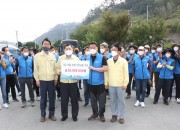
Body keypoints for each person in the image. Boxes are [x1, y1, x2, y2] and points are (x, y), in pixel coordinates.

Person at [34, 38, 58, 122]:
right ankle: (42, 115)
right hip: (42, 80)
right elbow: (36, 69)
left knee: (52, 98)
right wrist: (37, 80)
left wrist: (55, 78)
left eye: (48, 44)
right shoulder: (37, 56)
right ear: (42, 45)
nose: (46, 45)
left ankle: (51, 114)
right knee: (43, 98)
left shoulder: (53, 56)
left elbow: (55, 68)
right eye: (45, 43)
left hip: (51, 80)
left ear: (50, 45)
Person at [105, 43, 129, 124]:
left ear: (119, 52)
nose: (113, 51)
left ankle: (121, 116)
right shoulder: (109, 61)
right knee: (112, 100)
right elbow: (106, 73)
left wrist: (125, 83)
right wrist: (106, 83)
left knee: (121, 101)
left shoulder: (123, 61)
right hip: (111, 84)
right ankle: (114, 115)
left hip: (120, 84)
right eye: (112, 50)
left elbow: (126, 73)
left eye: (115, 50)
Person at [56, 43, 79, 122]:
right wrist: (59, 71)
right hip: (64, 82)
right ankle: (64, 115)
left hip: (73, 82)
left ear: (72, 50)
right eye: (67, 49)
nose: (68, 50)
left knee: (74, 100)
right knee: (64, 100)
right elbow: (57, 69)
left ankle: (74, 115)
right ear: (64, 50)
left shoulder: (76, 59)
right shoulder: (60, 58)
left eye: (70, 49)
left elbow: (79, 69)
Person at [87, 41, 108, 122]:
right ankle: (94, 114)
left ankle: (101, 114)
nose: (92, 49)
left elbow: (105, 68)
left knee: (102, 100)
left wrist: (94, 68)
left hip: (100, 83)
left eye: (94, 47)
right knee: (92, 100)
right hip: (90, 83)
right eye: (90, 48)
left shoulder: (102, 57)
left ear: (97, 48)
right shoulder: (87, 58)